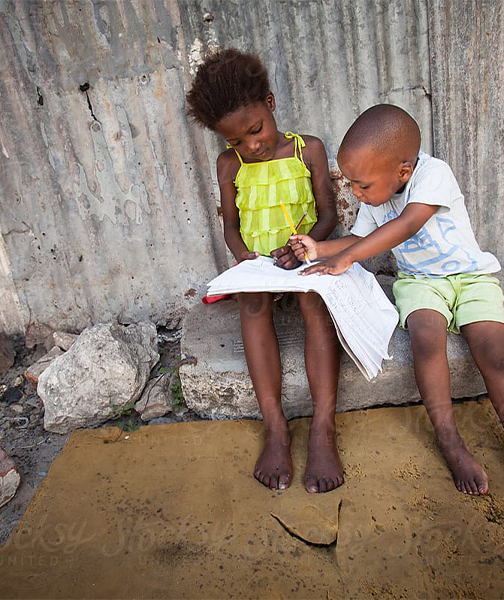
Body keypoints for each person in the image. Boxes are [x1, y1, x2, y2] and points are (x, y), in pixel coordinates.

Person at [290, 104, 504, 530]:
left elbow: (407, 225)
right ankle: (450, 440)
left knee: (495, 353)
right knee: (425, 338)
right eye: (349, 183)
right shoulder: (376, 197)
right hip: (421, 282)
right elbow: (358, 238)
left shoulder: (433, 174)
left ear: (403, 172)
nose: (354, 193)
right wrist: (318, 248)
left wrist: (346, 259)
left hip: (471, 278)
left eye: (361, 184)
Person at [186, 49, 343, 493]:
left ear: (270, 105)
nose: (250, 146)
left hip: (304, 253)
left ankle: (323, 425)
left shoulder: (308, 149)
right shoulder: (228, 165)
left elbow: (328, 215)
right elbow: (231, 227)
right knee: (252, 305)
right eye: (236, 141)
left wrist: (305, 247)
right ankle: (274, 425)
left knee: (314, 301)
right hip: (258, 264)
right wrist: (247, 262)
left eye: (255, 130)